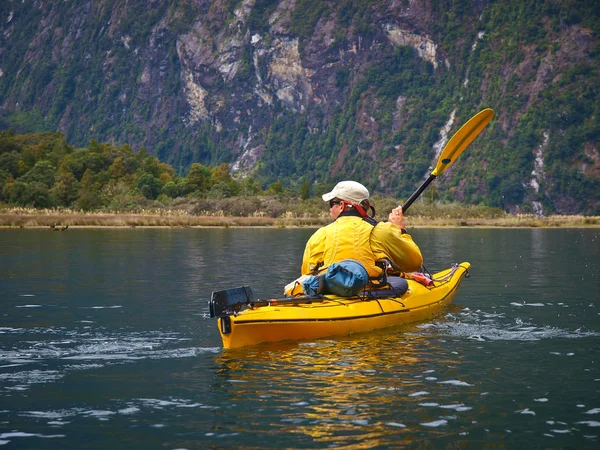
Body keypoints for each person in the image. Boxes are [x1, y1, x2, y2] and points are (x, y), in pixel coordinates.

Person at [301, 180, 423, 281]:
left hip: (329, 295)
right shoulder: (381, 230)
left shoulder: (318, 235)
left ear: (342, 205)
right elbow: (414, 263)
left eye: (332, 203)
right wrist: (400, 230)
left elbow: (306, 274)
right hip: (371, 292)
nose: (330, 209)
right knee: (401, 283)